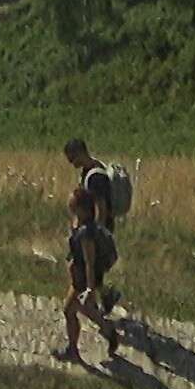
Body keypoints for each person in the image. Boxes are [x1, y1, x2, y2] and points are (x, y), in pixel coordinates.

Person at [60, 136, 133, 319]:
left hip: (94, 231)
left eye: (72, 158)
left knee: (90, 267)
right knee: (91, 268)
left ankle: (97, 299)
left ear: (80, 153)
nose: (71, 163)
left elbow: (101, 208)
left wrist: (96, 234)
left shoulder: (95, 177)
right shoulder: (89, 171)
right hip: (90, 229)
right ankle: (105, 296)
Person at [55, 179, 124, 367]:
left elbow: (89, 262)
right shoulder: (81, 225)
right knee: (85, 310)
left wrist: (90, 288)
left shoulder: (87, 233)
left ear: (82, 209)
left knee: (69, 310)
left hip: (83, 279)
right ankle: (109, 332)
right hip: (79, 277)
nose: (69, 205)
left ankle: (73, 350)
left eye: (72, 203)